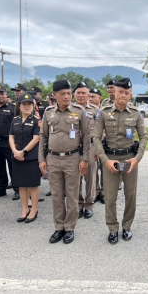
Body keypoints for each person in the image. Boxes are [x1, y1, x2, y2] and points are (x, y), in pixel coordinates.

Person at [94, 78, 148, 245]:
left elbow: (144, 137)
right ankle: (112, 228)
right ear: (114, 93)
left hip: (129, 159)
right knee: (110, 197)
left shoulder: (136, 113)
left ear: (130, 95)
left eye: (126, 93)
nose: (123, 95)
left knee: (130, 195)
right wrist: (105, 160)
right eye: (120, 92)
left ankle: (127, 226)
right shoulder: (102, 112)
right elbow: (96, 137)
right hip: (110, 160)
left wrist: (137, 158)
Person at [39, 79, 90, 244]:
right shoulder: (48, 112)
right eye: (63, 94)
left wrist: (85, 159)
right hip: (53, 158)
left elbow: (87, 137)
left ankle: (69, 228)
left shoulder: (79, 111)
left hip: (72, 159)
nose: (67, 96)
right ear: (55, 95)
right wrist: (41, 159)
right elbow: (43, 136)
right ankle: (58, 227)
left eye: (69, 93)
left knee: (72, 195)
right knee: (56, 195)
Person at [9, 93, 41, 223]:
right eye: (24, 104)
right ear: (19, 105)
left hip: (31, 157)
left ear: (34, 105)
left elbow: (36, 138)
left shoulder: (37, 121)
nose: (27, 106)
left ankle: (34, 209)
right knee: (21, 185)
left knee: (33, 185)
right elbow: (11, 136)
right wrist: (15, 151)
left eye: (29, 104)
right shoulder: (15, 120)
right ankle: (24, 209)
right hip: (17, 156)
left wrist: (23, 151)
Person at [74, 82, 99, 219]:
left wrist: (99, 148)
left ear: (89, 95)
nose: (81, 95)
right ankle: (78, 204)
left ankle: (89, 205)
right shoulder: (70, 109)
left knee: (90, 178)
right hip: (74, 147)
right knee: (75, 178)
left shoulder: (95, 110)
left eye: (84, 93)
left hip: (91, 146)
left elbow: (101, 130)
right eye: (78, 92)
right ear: (74, 95)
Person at [0, 85, 19, 201]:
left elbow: (17, 124)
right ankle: (1, 189)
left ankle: (17, 189)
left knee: (13, 166)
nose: (0, 96)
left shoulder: (12, 107)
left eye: (2, 93)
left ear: (6, 94)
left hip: (8, 142)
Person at [101, 80, 123, 191]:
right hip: (109, 136)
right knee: (110, 160)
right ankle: (110, 181)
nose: (110, 89)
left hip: (123, 136)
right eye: (108, 87)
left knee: (122, 159)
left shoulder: (124, 100)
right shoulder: (105, 103)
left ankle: (120, 180)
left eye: (112, 87)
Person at [89, 88, 105, 204]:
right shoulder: (87, 111)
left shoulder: (106, 110)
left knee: (104, 170)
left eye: (93, 96)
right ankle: (95, 191)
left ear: (100, 98)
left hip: (104, 144)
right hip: (92, 145)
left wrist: (102, 147)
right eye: (89, 96)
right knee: (93, 170)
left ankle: (104, 192)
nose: (90, 99)